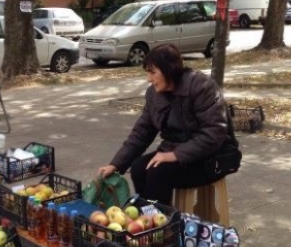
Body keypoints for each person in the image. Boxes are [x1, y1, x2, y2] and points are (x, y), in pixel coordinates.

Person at [98, 44, 231, 205]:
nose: (149, 79)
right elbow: (141, 133)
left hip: (211, 158)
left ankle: (162, 224)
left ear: (169, 70)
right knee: (139, 167)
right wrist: (116, 165)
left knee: (157, 172)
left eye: (152, 72)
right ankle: (149, 218)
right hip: (177, 153)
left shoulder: (202, 87)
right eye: (147, 72)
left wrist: (173, 155)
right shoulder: (153, 94)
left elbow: (214, 134)